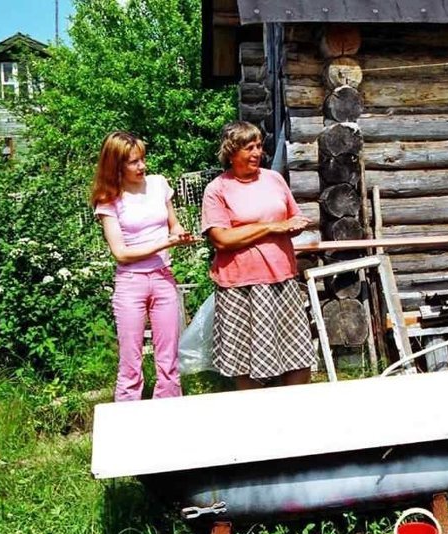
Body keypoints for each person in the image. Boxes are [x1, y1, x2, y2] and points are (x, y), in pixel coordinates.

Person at [201, 121, 315, 390]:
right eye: (249, 147)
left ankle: (297, 407)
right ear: (231, 152)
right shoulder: (217, 189)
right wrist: (270, 227)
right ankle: (255, 410)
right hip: (240, 287)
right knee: (244, 360)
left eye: (259, 146)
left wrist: (295, 225)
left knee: (297, 355)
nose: (257, 153)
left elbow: (292, 217)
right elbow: (221, 239)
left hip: (282, 280)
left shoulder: (274, 179)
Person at [91, 131, 198, 401]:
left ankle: (168, 416)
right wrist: (164, 243)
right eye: (133, 162)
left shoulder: (158, 184)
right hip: (131, 283)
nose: (142, 166)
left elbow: (174, 224)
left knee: (169, 362)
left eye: (142, 159)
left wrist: (180, 235)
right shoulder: (108, 199)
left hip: (163, 278)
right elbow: (121, 253)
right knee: (130, 364)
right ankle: (126, 421)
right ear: (116, 165)